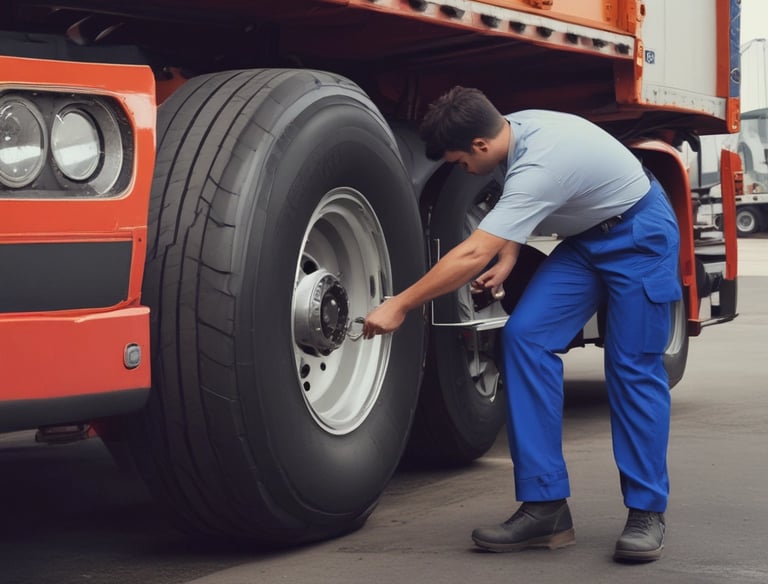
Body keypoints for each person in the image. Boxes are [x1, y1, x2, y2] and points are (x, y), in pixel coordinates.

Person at [362, 86, 681, 563]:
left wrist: (400, 305)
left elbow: (472, 251)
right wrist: (510, 250)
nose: (461, 170)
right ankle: (545, 506)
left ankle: (646, 510)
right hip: (586, 240)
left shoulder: (540, 162)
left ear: (479, 146)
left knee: (632, 368)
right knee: (525, 338)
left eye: (459, 161)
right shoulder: (510, 128)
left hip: (639, 234)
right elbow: (525, 199)